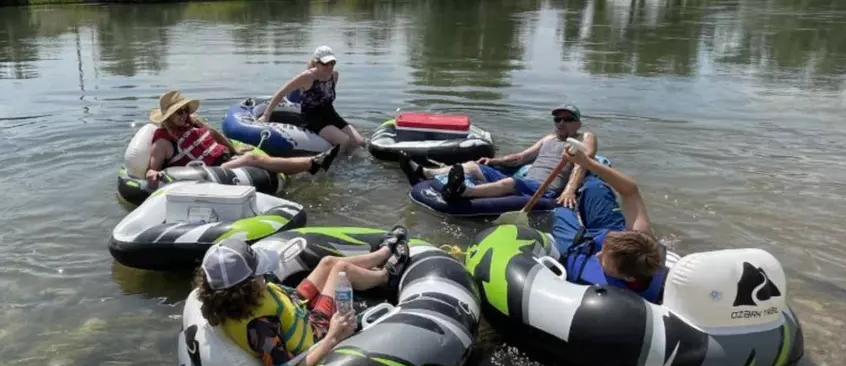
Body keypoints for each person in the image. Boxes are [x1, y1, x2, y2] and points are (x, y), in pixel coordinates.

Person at [194, 228, 411, 366]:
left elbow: (277, 306)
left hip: (293, 307)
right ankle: (385, 275)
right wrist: (333, 336)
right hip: (315, 330)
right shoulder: (260, 326)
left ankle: (380, 254)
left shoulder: (228, 300)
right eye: (260, 274)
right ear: (248, 286)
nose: (265, 276)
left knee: (327, 262)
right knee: (341, 269)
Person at [397, 104, 596, 208]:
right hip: (528, 181)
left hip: (544, 189)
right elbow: (521, 157)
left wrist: (570, 189)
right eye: (558, 119)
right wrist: (493, 161)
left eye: (567, 119)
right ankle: (426, 173)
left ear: (578, 123)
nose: (561, 122)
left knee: (510, 182)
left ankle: (462, 192)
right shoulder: (548, 138)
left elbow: (583, 162)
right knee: (472, 166)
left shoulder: (585, 137)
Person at [146, 90, 340, 186]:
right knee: (253, 159)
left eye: (184, 110)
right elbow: (151, 171)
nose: (183, 115)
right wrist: (152, 175)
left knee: (253, 159)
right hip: (207, 173)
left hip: (223, 160)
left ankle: (303, 168)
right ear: (168, 117)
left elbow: (215, 134)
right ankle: (311, 164)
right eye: (178, 113)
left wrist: (234, 150)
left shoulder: (193, 122)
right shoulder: (163, 141)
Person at [554, 146, 667, 303]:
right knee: (594, 186)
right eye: (602, 252)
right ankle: (587, 172)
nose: (598, 254)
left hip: (577, 245)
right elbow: (630, 191)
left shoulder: (614, 297)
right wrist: (587, 162)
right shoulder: (644, 240)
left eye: (604, 259)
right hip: (609, 229)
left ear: (627, 277)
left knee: (561, 210)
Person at [259, 45, 365, 156]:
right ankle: (335, 168)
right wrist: (266, 116)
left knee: (360, 142)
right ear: (316, 63)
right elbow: (281, 93)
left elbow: (327, 99)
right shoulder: (307, 77)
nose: (329, 67)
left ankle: (349, 161)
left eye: (332, 63)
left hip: (330, 114)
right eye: (325, 63)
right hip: (312, 118)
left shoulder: (334, 76)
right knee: (343, 141)